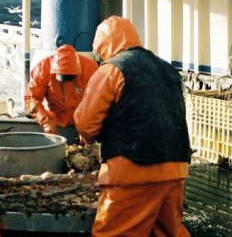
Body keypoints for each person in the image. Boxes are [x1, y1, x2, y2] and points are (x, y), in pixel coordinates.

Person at [74, 16, 191, 237]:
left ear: (103, 47)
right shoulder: (168, 70)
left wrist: (86, 138)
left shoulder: (112, 70)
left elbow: (86, 122)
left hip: (133, 169)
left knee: (115, 232)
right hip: (176, 168)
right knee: (168, 232)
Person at [24, 44, 98, 139]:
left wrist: (88, 126)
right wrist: (45, 121)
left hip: (83, 121)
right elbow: (31, 98)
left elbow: (99, 101)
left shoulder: (91, 69)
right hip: (54, 120)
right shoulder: (43, 68)